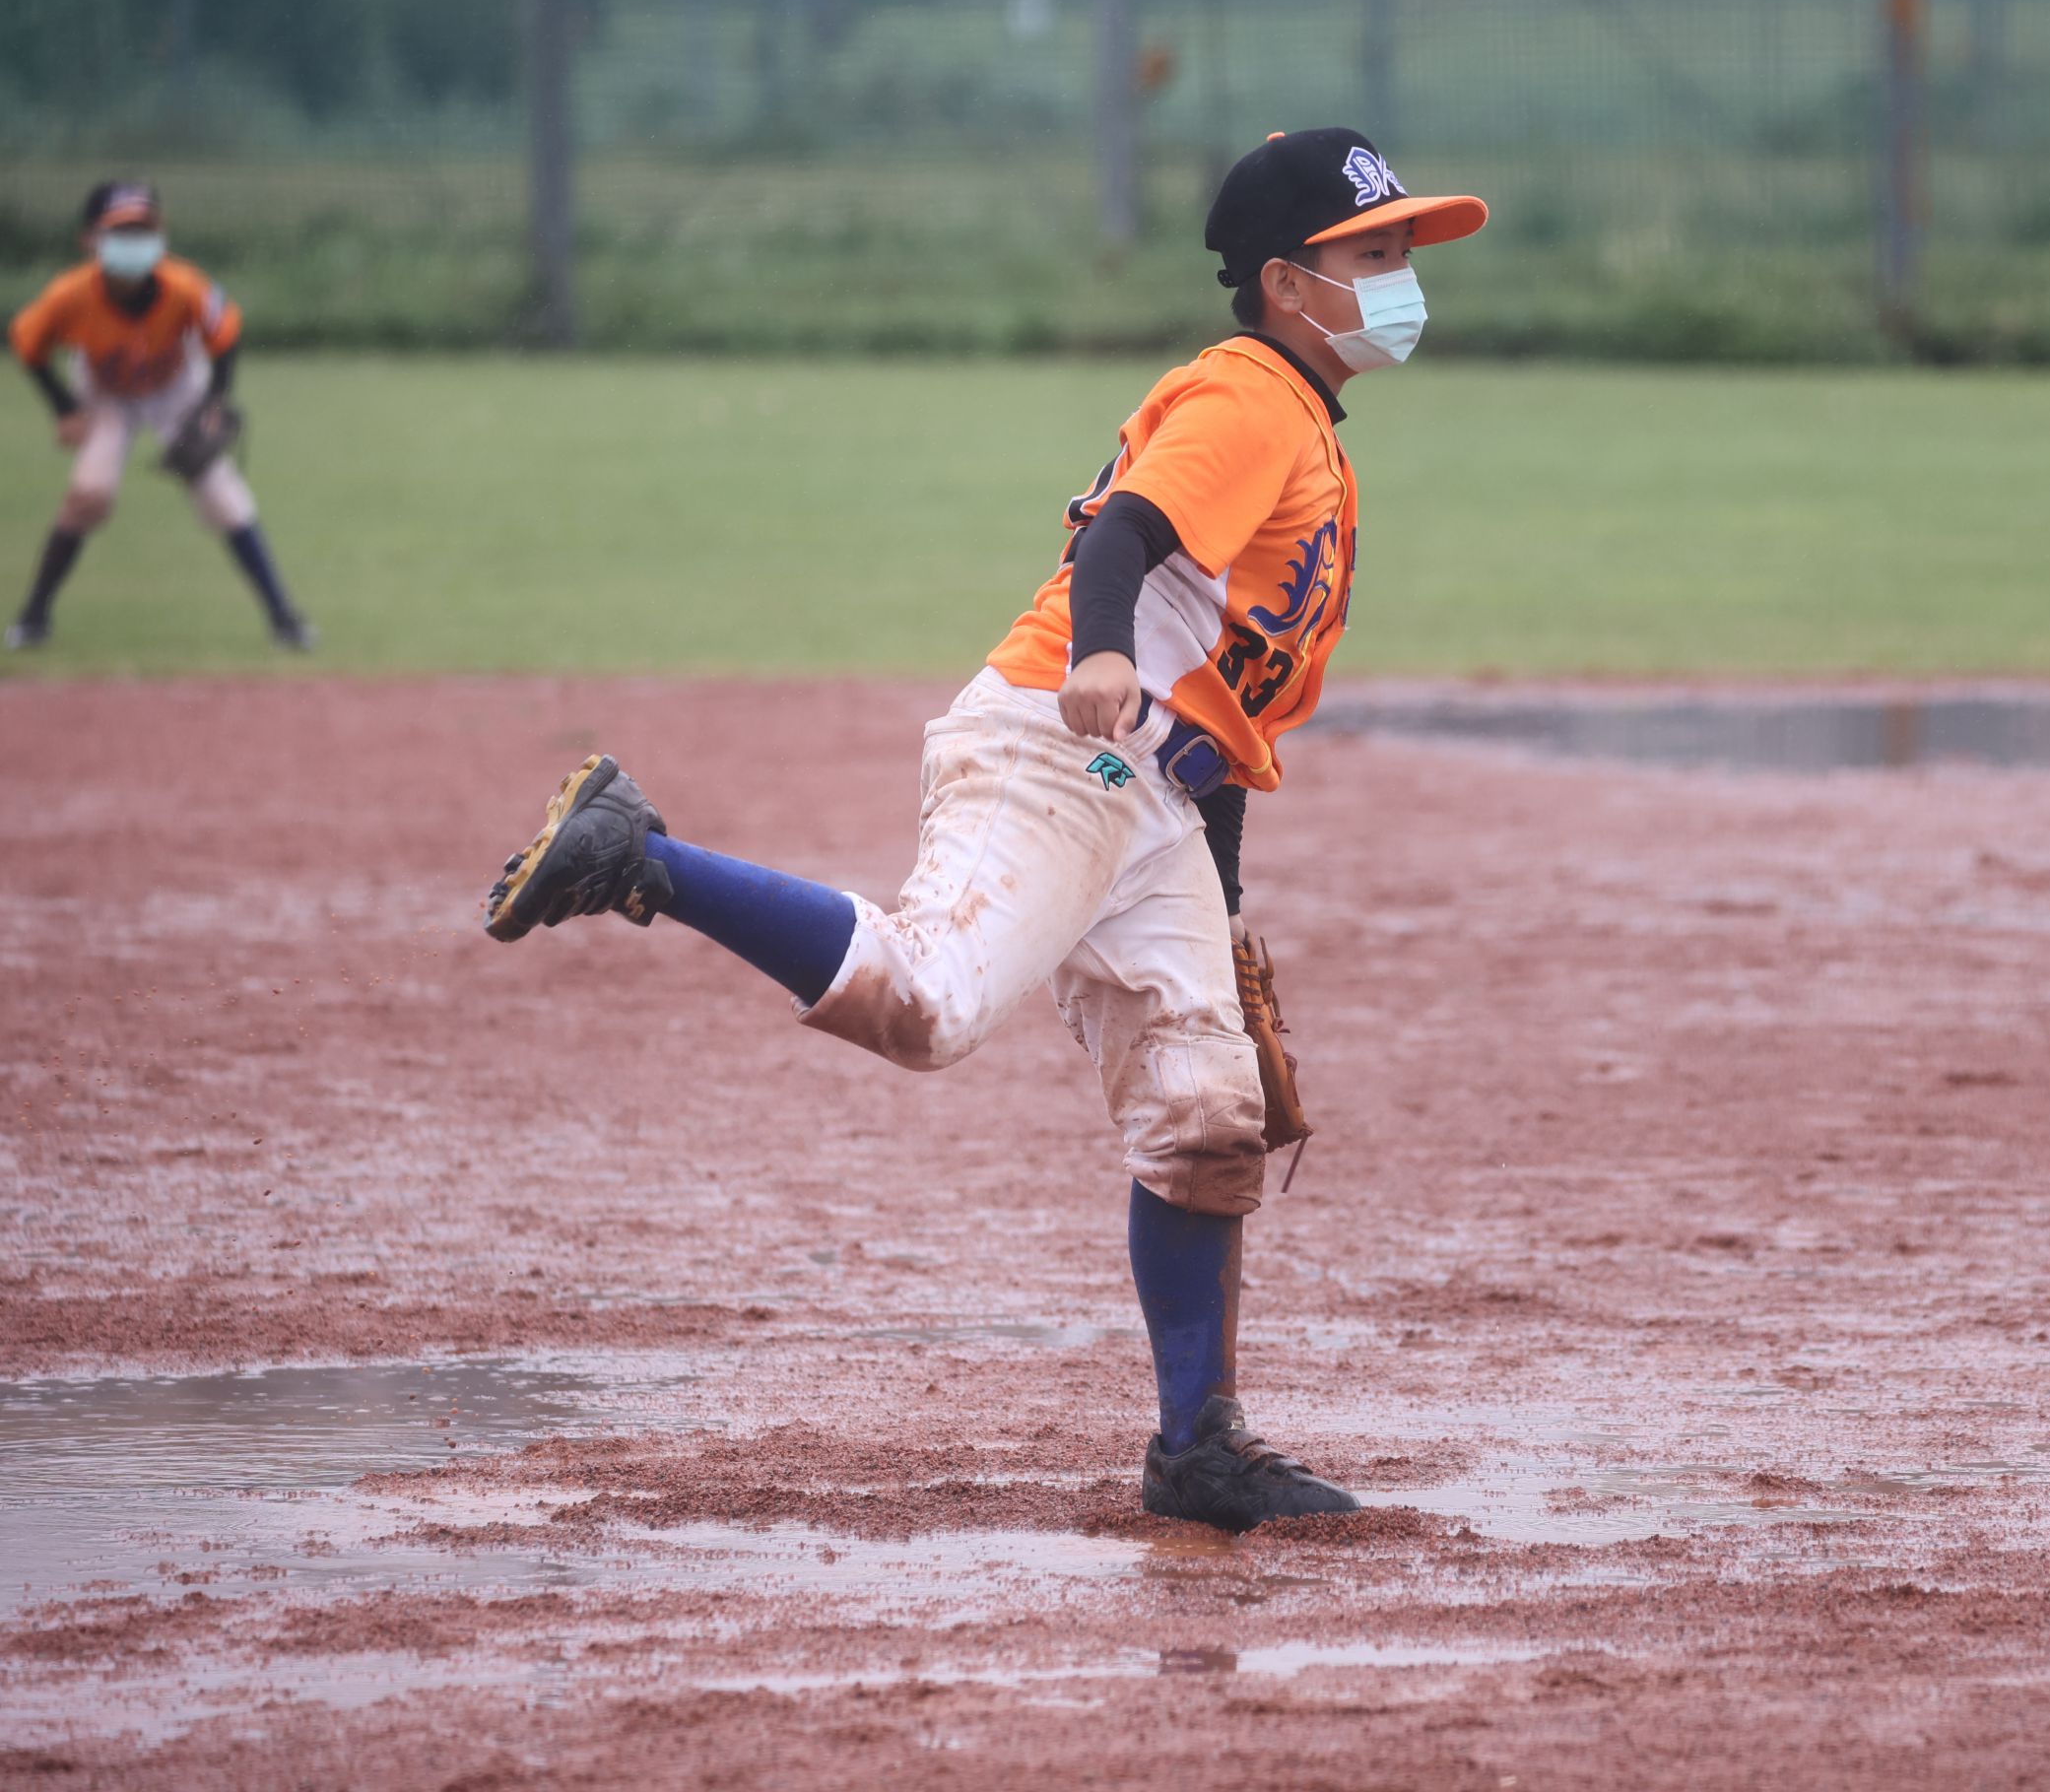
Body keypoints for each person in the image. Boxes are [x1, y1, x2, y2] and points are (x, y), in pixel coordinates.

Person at [480, 129, 1483, 1532]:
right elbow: (1121, 538)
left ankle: (1198, 1449)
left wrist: (1219, 893)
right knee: (927, 1004)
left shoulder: (1303, 421)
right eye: (1370, 252)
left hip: (1154, 795)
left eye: (1401, 250)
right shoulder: (1252, 396)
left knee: (1210, 1117)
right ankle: (637, 855)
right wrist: (1103, 650)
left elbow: (1230, 702)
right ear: (1283, 280)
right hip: (1064, 744)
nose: (1399, 274)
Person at [7, 181, 312, 651]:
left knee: (223, 497)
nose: (134, 242)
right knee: (89, 494)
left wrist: (214, 402)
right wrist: (64, 408)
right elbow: (27, 342)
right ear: (89, 239)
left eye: (143, 231)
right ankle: (34, 617)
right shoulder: (70, 294)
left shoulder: (184, 286)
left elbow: (225, 334)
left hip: (176, 387)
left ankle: (284, 619)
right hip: (106, 393)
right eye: (120, 232)